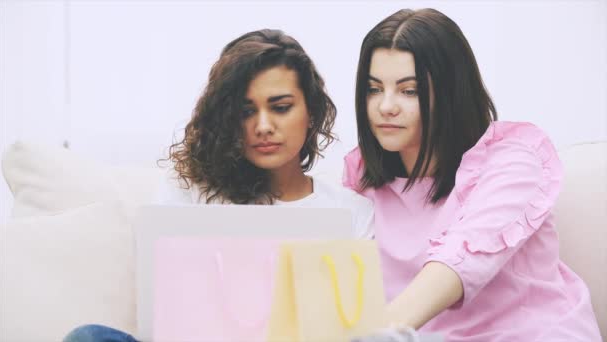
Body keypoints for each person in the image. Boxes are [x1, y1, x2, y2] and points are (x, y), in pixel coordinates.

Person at [64, 28, 373, 342]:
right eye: (246, 112)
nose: (263, 126)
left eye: (280, 107)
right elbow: (164, 311)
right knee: (88, 337)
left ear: (310, 113)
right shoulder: (188, 191)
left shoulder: (351, 212)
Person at [344, 8, 602, 341]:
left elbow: (461, 259)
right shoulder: (361, 180)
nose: (385, 106)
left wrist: (374, 333)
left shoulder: (513, 159)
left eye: (409, 91)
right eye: (374, 88)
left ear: (450, 93)